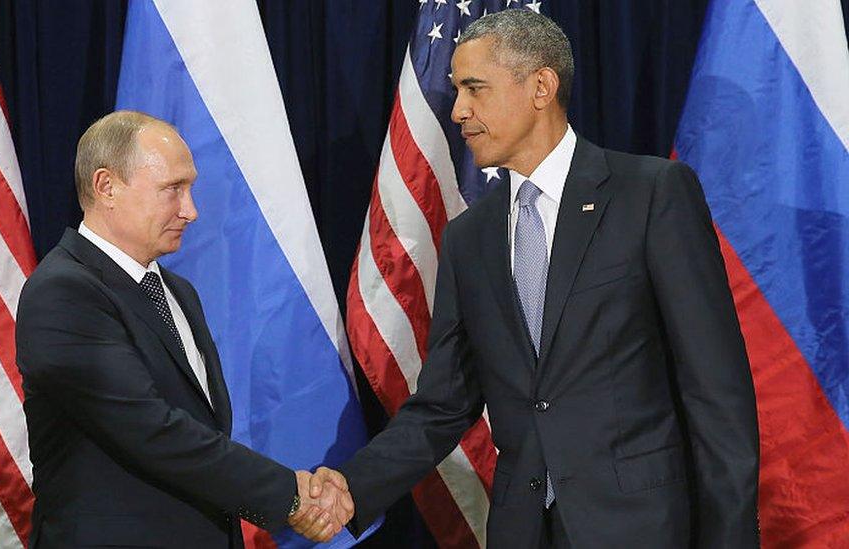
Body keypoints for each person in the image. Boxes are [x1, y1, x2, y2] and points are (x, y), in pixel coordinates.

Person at [307, 9, 759, 548]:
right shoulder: (469, 238)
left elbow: (716, 393)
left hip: (643, 527)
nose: (457, 111)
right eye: (456, 91)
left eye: (474, 89)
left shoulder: (652, 195)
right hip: (522, 530)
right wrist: (353, 488)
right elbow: (444, 404)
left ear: (541, 86)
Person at [15, 111, 348, 547]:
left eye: (190, 188)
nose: (191, 211)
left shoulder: (176, 290)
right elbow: (151, 429)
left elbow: (200, 429)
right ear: (106, 186)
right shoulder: (62, 293)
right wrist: (289, 496)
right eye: (173, 189)